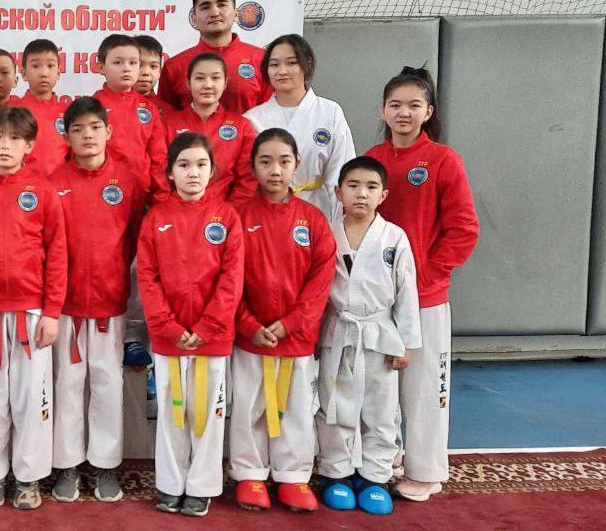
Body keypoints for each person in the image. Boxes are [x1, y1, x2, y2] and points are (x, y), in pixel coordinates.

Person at [364, 66, 479, 502]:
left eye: (414, 105)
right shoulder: (372, 158)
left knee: (424, 386)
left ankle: (426, 469)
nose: (404, 113)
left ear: (428, 111)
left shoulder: (443, 161)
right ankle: (384, 457)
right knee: (378, 385)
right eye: (395, 105)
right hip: (376, 297)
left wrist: (426, 277)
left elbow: (463, 229)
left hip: (425, 297)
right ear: (383, 110)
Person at [0, 106, 66, 510]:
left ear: (29, 145)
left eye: (15, 138)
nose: (6, 145)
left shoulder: (44, 192)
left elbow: (57, 254)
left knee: (31, 397)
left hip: (31, 312)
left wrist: (52, 311)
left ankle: (28, 477)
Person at [137, 134, 243, 517]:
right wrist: (166, 325)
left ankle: (201, 486)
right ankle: (171, 484)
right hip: (169, 337)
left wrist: (209, 325)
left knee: (207, 414)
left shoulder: (226, 217)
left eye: (201, 165)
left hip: (211, 337)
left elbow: (232, 278)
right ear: (170, 173)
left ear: (212, 171)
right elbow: (147, 277)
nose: (193, 172)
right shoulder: (156, 218)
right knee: (172, 411)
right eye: (184, 165)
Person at [229, 128, 335, 513]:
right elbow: (227, 278)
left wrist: (292, 323)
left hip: (296, 337)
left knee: (296, 408)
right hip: (252, 336)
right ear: (252, 166)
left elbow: (321, 281)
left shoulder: (313, 220)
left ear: (297, 165)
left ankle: (293, 475)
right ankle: (250, 473)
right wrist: (247, 323)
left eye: (284, 161)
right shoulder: (237, 216)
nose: (275, 170)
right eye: (266, 161)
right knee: (249, 405)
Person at [48, 97, 147, 503]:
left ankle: (106, 465)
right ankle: (67, 464)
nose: (87, 136)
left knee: (107, 383)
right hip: (66, 303)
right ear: (66, 136)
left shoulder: (128, 181)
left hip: (111, 301)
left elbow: (136, 238)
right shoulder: (53, 182)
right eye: (78, 129)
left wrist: (114, 277)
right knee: (68, 383)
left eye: (94, 127)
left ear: (108, 132)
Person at [316, 156, 421, 515]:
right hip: (337, 331)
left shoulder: (394, 237)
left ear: (383, 195)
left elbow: (407, 291)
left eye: (371, 187)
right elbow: (317, 290)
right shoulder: (327, 232)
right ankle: (336, 473)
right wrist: (312, 336)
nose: (361, 193)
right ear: (338, 192)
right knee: (333, 405)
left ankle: (375, 477)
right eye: (353, 186)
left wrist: (406, 342)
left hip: (380, 333)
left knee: (381, 409)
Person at [244, 34, 355, 219]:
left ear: (307, 65)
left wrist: (336, 218)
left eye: (291, 63)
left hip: (319, 209)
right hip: (267, 213)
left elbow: (342, 169)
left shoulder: (330, 112)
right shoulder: (252, 119)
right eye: (274, 65)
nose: (282, 71)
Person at [159, 0, 270, 114]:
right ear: (194, 18)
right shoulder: (174, 67)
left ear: (236, 13)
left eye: (222, 5)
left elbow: (270, 115)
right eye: (205, 7)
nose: (214, 13)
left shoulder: (262, 60)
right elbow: (164, 121)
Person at [163, 53, 258, 205]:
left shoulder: (242, 127)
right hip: (176, 212)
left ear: (225, 83)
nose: (208, 85)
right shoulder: (167, 124)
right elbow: (160, 174)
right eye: (200, 78)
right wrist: (175, 209)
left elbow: (247, 180)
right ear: (188, 83)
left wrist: (226, 213)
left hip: (224, 215)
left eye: (215, 78)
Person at [92, 34, 169, 197]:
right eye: (118, 63)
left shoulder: (149, 109)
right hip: (103, 193)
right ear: (100, 67)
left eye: (133, 63)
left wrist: (161, 196)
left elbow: (158, 159)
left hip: (141, 193)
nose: (126, 68)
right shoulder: (92, 106)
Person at [7, 39, 68, 176]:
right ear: (24, 74)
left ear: (58, 73)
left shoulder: (68, 112)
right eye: (35, 66)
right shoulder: (11, 110)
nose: (44, 73)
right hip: (21, 184)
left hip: (59, 185)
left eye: (50, 66)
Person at [134, 34, 174, 115]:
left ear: (160, 71)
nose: (146, 72)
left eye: (153, 66)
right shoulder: (109, 105)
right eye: (139, 65)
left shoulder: (168, 111)